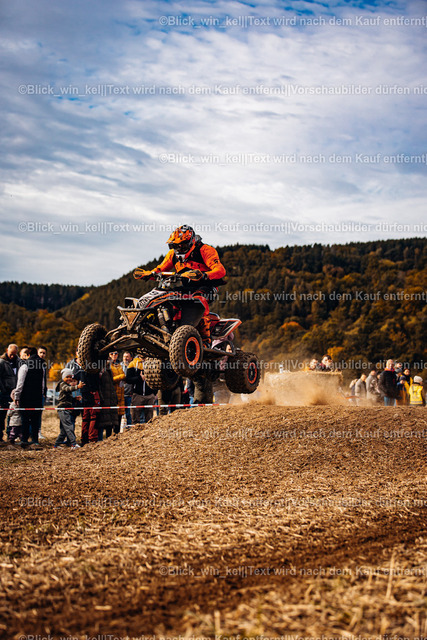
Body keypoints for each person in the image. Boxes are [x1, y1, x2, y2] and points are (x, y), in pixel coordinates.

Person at [133, 224, 226, 344]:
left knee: (198, 299)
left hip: (207, 286)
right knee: (166, 297)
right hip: (186, 287)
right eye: (175, 246)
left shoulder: (205, 250)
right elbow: (160, 269)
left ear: (192, 242)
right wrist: (149, 274)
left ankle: (205, 340)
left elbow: (220, 270)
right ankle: (163, 328)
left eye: (182, 246)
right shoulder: (173, 254)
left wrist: (204, 275)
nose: (179, 249)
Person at [14, 347, 46, 448]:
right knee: (35, 419)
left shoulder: (24, 366)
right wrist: (42, 394)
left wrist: (16, 396)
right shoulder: (41, 367)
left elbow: (20, 383)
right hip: (37, 397)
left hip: (26, 397)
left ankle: (24, 439)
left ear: (28, 355)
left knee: (25, 419)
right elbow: (43, 383)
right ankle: (35, 440)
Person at [54, 369, 84, 450]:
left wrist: (74, 399)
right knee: (69, 426)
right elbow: (67, 389)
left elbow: (67, 398)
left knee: (64, 430)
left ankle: (56, 445)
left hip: (66, 409)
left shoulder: (66, 384)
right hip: (63, 409)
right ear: (63, 377)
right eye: (67, 377)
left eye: (70, 377)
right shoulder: (62, 384)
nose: (69, 379)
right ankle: (73, 444)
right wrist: (77, 387)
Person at [125, 356, 157, 424]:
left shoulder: (152, 363)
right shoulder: (133, 363)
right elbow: (128, 379)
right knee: (135, 419)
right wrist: (139, 378)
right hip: (137, 395)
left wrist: (154, 393)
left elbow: (157, 378)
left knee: (150, 420)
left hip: (150, 395)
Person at [0, 343, 20, 442]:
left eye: (14, 354)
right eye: (11, 354)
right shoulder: (1, 362)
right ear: (7, 351)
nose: (12, 356)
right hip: (4, 393)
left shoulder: (18, 362)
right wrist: (3, 389)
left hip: (14, 392)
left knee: (13, 415)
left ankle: (10, 435)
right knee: (1, 415)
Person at [98, 364, 119, 439]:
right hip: (103, 399)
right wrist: (101, 398)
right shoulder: (98, 371)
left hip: (110, 399)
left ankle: (109, 438)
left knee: (110, 422)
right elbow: (99, 386)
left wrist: (115, 398)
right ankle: (100, 439)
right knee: (102, 421)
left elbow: (111, 386)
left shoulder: (109, 371)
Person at [108, 350, 125, 426]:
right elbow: (109, 379)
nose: (114, 355)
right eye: (111, 353)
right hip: (112, 393)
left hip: (120, 393)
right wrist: (121, 376)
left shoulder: (119, 365)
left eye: (115, 353)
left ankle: (117, 432)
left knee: (119, 416)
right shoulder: (108, 365)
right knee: (112, 416)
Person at [121, 351, 133, 427]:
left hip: (129, 394)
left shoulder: (133, 367)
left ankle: (129, 428)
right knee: (119, 414)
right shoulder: (119, 366)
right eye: (124, 357)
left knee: (129, 414)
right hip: (120, 394)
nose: (125, 358)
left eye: (127, 357)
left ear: (131, 358)